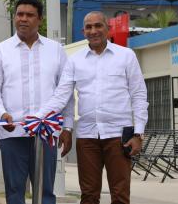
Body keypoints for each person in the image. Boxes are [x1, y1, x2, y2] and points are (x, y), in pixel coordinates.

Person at [37, 11, 148, 204]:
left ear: (108, 28)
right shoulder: (75, 60)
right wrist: (38, 117)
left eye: (98, 26)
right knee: (88, 195)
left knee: (120, 194)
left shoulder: (126, 56)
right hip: (87, 137)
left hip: (119, 136)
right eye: (89, 27)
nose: (93, 31)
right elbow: (62, 96)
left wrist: (138, 134)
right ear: (83, 31)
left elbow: (139, 95)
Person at [0, 0, 73, 204]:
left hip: (47, 133)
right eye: (19, 14)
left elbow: (65, 92)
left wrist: (67, 127)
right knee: (14, 191)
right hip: (12, 131)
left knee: (45, 192)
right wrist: (1, 114)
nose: (23, 19)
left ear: (39, 19)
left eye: (29, 15)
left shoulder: (56, 50)